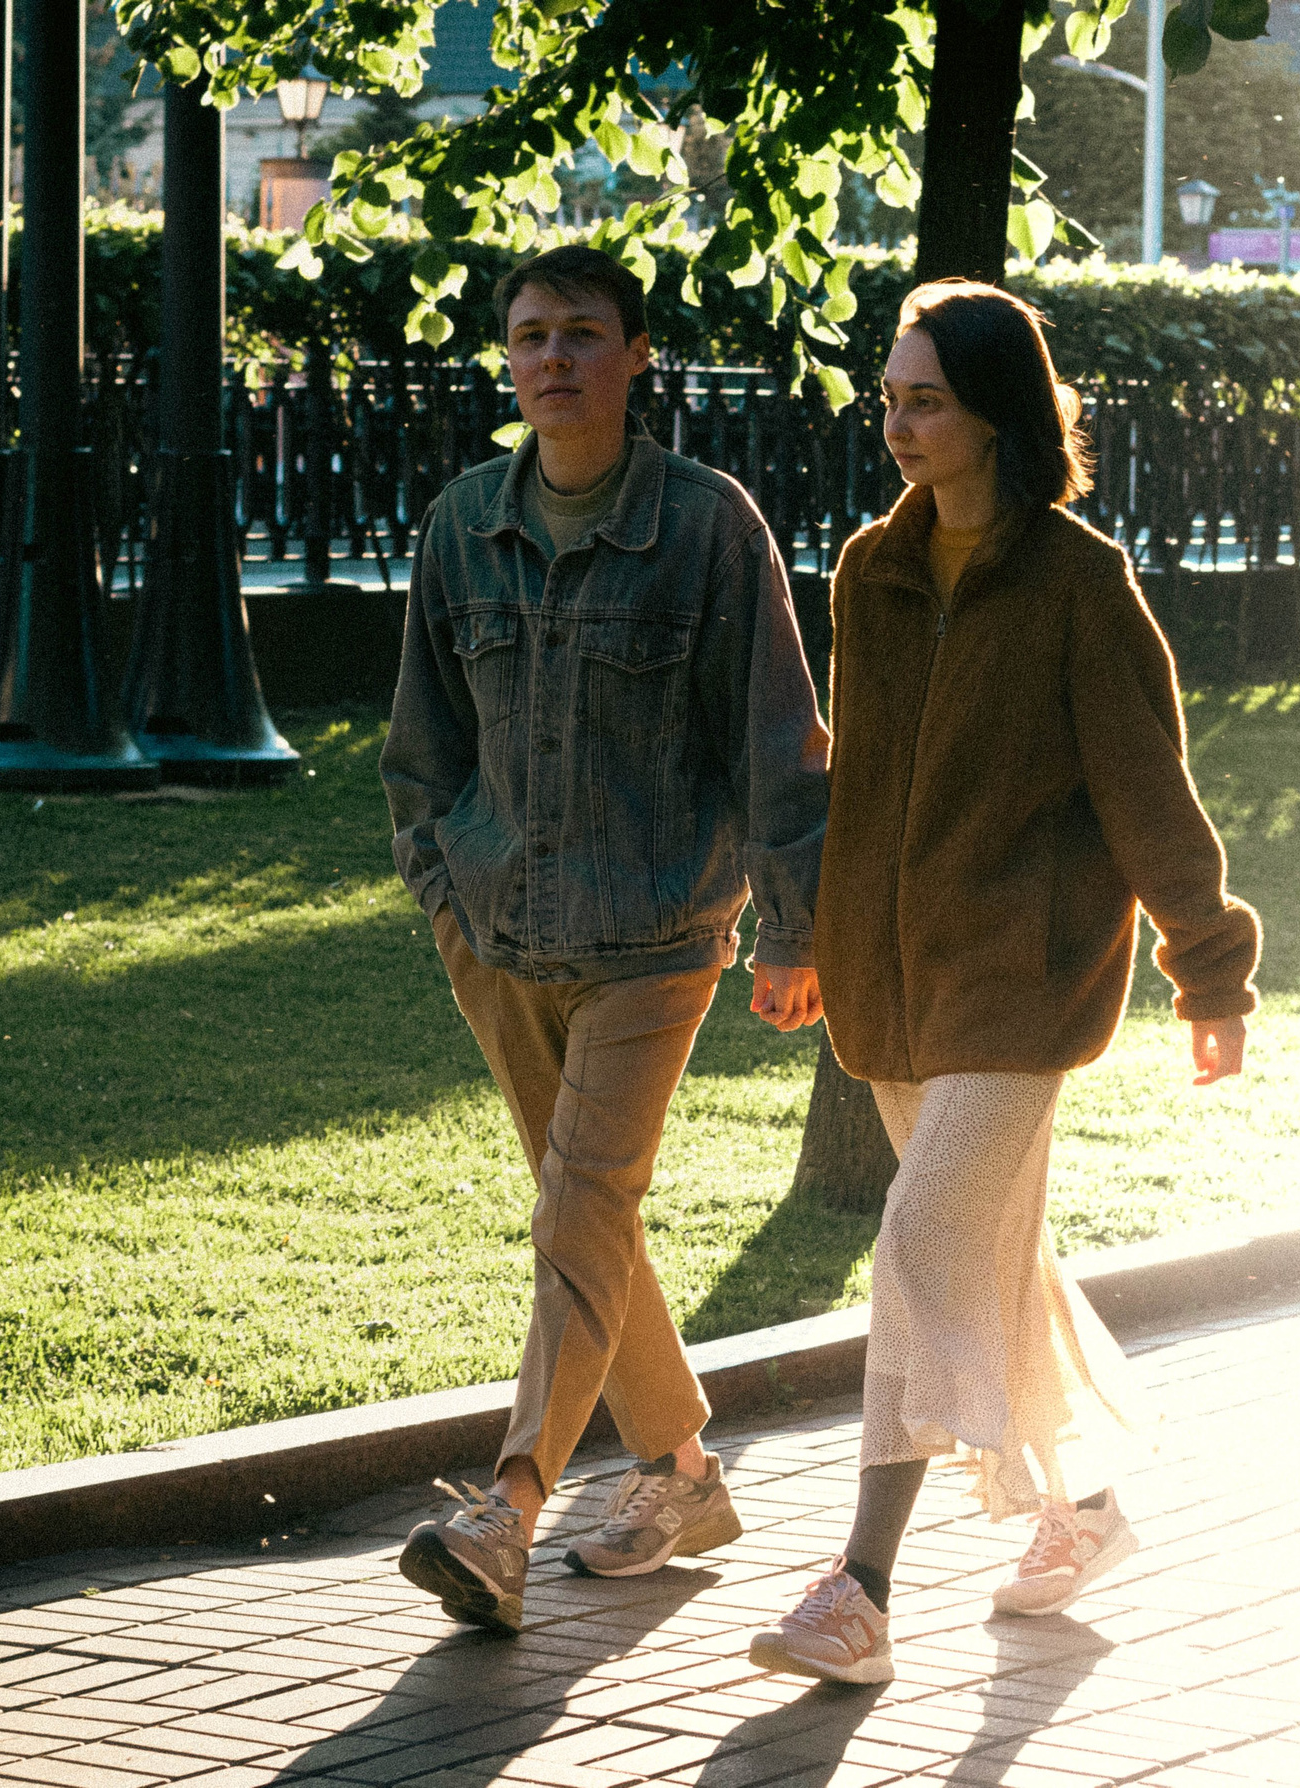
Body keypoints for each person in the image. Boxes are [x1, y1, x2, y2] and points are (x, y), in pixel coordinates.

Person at [748, 281, 1262, 1685]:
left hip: (1023, 983)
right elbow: (858, 778)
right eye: (890, 399)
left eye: (926, 402)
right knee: (988, 1260)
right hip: (892, 983)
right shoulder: (870, 569)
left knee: (920, 1246)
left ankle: (860, 1591)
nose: (898, 425)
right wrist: (809, 938)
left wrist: (1210, 972)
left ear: (997, 415)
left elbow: (1148, 789)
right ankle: (1084, 1508)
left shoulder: (1080, 582)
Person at [381, 245, 831, 1634]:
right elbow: (420, 747)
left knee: (577, 1211)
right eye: (530, 335)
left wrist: (791, 929)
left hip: (656, 936)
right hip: (498, 931)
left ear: (637, 356)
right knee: (591, 1217)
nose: (554, 358)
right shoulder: (463, 522)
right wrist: (443, 894)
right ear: (507, 359)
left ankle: (506, 1512)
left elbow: (779, 742)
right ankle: (683, 1473)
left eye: (583, 333)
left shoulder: (706, 525)